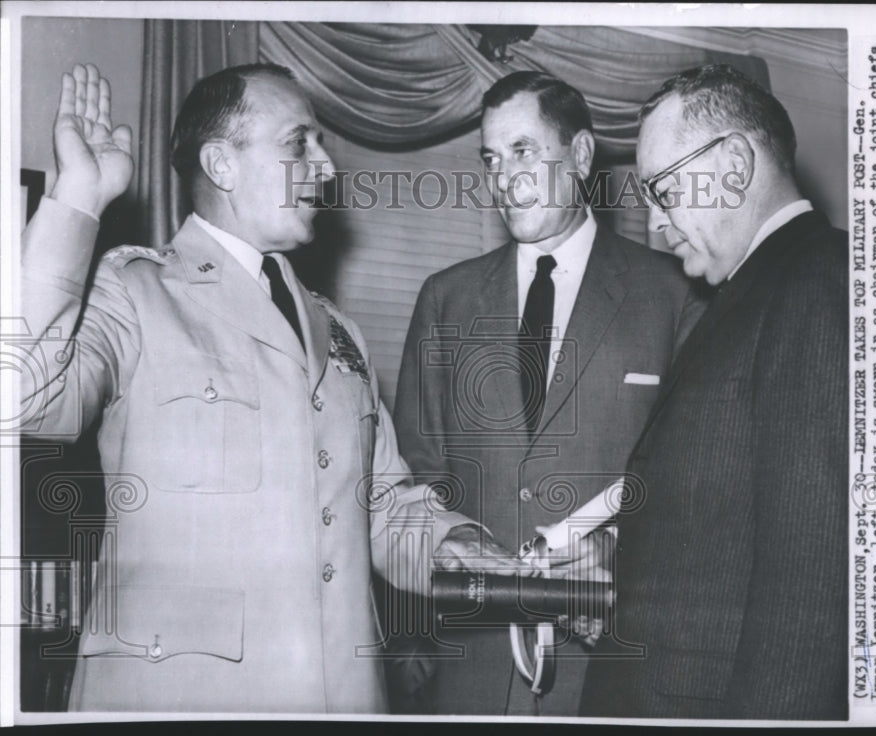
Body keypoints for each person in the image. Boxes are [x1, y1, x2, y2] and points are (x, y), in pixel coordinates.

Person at [19, 62, 512, 713]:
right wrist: (77, 196)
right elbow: (21, 398)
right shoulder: (136, 293)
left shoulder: (338, 331)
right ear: (222, 164)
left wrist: (459, 544)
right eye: (298, 143)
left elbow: (384, 509)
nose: (326, 167)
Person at [391, 71, 697, 716]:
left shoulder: (676, 295)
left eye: (524, 151)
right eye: (491, 159)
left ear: (581, 156)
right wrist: (449, 541)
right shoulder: (445, 298)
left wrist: (617, 550)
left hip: (610, 663)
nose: (504, 179)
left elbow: (696, 482)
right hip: (469, 668)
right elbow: (417, 468)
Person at [580, 64, 849, 720]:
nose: (653, 223)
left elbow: (806, 593)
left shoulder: (817, 283)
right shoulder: (745, 295)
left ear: (733, 166)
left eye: (663, 191)